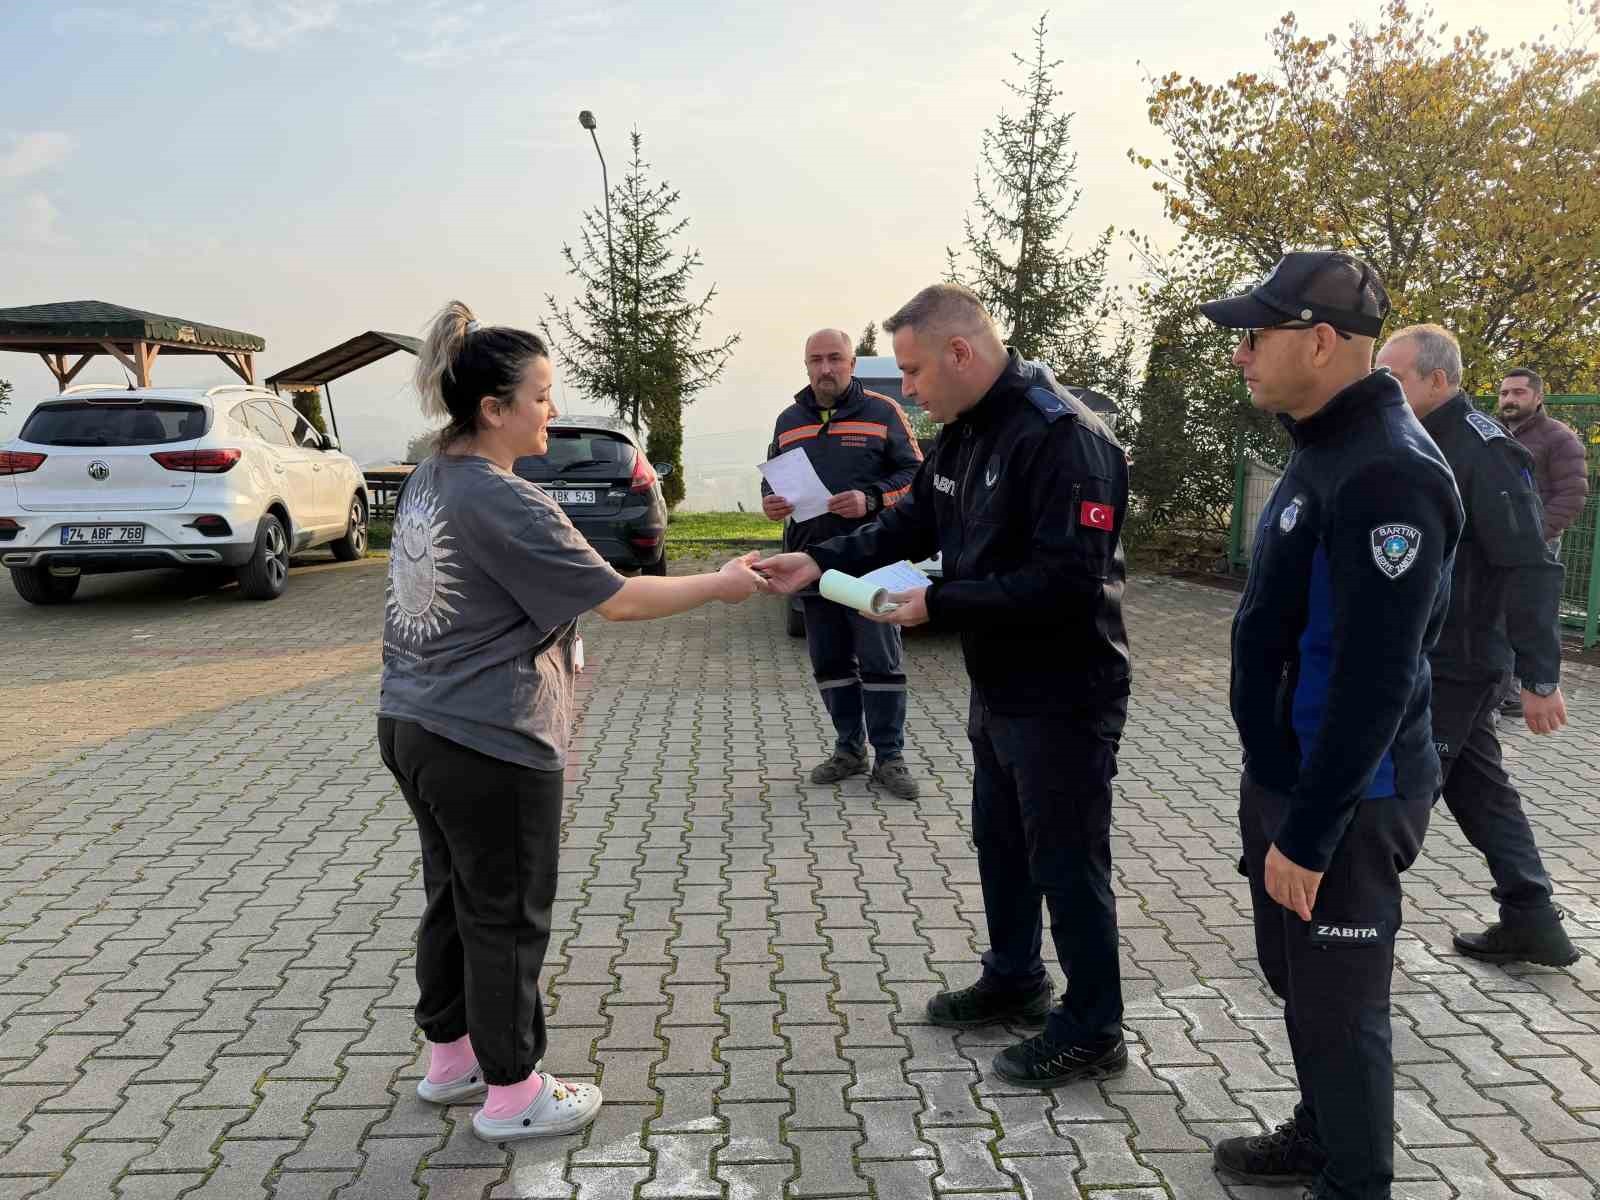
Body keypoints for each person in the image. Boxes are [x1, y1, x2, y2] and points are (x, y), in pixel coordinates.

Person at [378, 302, 762, 1142]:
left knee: (454, 896)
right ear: (494, 409)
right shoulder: (504, 499)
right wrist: (722, 583)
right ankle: (513, 1093)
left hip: (412, 723)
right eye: (542, 395)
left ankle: (451, 1059)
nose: (553, 410)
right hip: (488, 739)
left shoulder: (431, 472)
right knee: (507, 915)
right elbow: (621, 600)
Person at [758, 284, 1133, 1089]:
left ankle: (1094, 1028)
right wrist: (818, 560)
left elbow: (1067, 584)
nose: (908, 390)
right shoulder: (964, 432)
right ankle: (1015, 979)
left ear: (961, 353)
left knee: (1067, 863)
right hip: (998, 685)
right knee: (1001, 843)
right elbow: (912, 524)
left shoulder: (1065, 439)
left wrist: (941, 603)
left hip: (1065, 693)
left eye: (914, 371)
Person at [1199, 253, 1462, 1200]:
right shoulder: (1324, 445)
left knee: (1343, 1006)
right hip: (1290, 778)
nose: (1240, 354)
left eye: (1254, 334)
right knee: (1300, 981)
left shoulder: (1389, 471)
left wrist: (1310, 833)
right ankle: (1321, 1132)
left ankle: (1356, 1180)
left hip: (1350, 797)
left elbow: (1376, 677)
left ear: (1320, 341)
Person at [1376, 325, 1577, 967]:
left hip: (1457, 662)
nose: (1382, 387)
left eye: (1394, 377)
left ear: (1438, 380)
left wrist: (1540, 678)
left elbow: (1530, 564)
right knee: (1482, 793)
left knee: (1398, 792)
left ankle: (1350, 923)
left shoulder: (1484, 450)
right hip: (1429, 652)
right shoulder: (1414, 436)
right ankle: (1532, 918)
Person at [762, 328, 925, 798]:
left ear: (852, 364)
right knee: (830, 662)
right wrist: (771, 501)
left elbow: (917, 475)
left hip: (872, 561)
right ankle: (849, 750)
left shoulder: (882, 411)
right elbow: (772, 480)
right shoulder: (788, 420)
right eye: (816, 360)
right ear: (806, 365)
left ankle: (890, 758)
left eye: (835, 358)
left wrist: (871, 499)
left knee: (880, 662)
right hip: (811, 561)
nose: (826, 368)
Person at [1496, 366, 1588, 714]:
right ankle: (1499, 689)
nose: (1509, 399)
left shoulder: (1559, 438)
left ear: (1538, 397)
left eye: (1518, 392)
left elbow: (1572, 494)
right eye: (1504, 393)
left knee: (1529, 615)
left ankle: (1522, 689)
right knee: (1494, 614)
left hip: (1537, 546)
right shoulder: (1490, 432)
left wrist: (1535, 535)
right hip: (1494, 540)